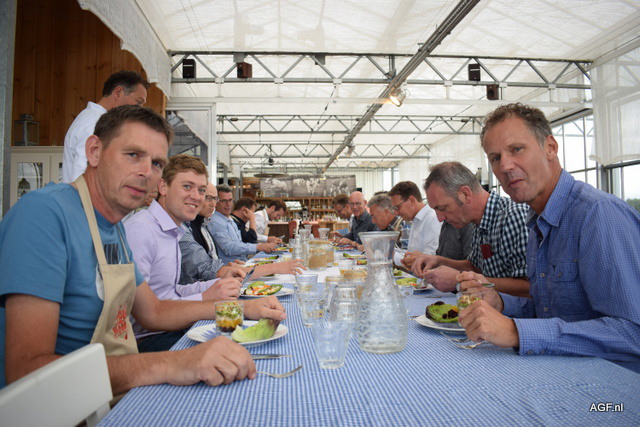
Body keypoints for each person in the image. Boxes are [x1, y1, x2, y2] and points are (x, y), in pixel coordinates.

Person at [0, 105, 285, 391]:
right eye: (133, 155)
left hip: (109, 387)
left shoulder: (113, 227)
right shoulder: (44, 213)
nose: (147, 172)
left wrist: (242, 308)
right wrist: (173, 363)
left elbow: (154, 311)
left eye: (157, 163)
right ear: (94, 151)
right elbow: (27, 371)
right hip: (71, 404)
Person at [456, 103, 640, 366]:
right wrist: (501, 303)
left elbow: (633, 334)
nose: (505, 166)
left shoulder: (597, 215)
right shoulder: (539, 222)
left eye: (516, 149)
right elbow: (551, 311)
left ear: (550, 147)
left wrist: (516, 332)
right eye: (495, 158)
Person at [124, 155, 244, 352]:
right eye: (187, 186)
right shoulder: (142, 229)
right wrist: (205, 297)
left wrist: (215, 285)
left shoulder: (172, 229)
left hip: (167, 331)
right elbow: (138, 313)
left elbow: (171, 292)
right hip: (147, 342)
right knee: (233, 347)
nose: (196, 197)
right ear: (163, 187)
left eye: (201, 190)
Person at [411, 162, 530, 297]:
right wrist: (439, 261)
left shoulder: (514, 216)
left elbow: (529, 287)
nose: (440, 218)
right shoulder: (478, 222)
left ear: (465, 194)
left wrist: (459, 279)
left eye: (443, 208)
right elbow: (475, 267)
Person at [180, 184, 305, 284]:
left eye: (230, 200)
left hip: (231, 270)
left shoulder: (208, 223)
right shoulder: (202, 224)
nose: (228, 204)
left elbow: (211, 265)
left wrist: (226, 266)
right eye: (208, 198)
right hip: (220, 280)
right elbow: (227, 251)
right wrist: (273, 266)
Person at [62, 70, 149, 183]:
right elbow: (82, 176)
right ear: (118, 92)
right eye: (138, 102)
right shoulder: (95, 123)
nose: (139, 110)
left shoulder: (93, 119)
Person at [210, 186, 276, 264]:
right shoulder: (216, 221)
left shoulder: (230, 220)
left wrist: (262, 246)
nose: (228, 204)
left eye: (230, 200)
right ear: (216, 201)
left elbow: (240, 244)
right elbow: (229, 248)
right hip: (232, 267)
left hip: (243, 262)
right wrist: (258, 247)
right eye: (224, 201)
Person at [387, 181, 440, 267]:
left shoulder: (432, 219)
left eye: (398, 207)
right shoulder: (416, 219)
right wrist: (389, 252)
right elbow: (412, 254)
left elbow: (430, 259)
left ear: (412, 200)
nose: (396, 212)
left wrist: (393, 256)